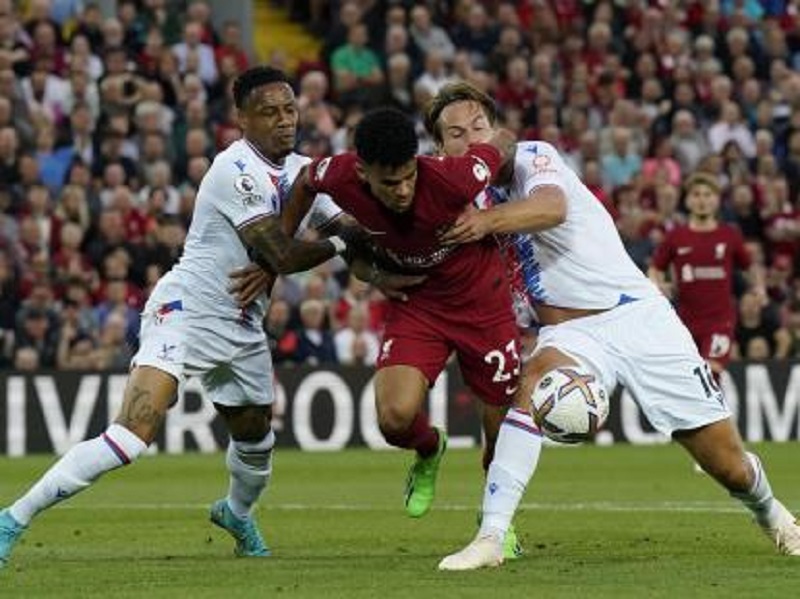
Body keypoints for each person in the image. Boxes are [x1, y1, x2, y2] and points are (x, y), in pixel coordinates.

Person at [425, 82, 800, 570]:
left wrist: (486, 221)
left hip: (637, 316)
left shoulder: (533, 158)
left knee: (727, 466)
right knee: (529, 386)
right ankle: (491, 536)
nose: (473, 138)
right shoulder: (453, 199)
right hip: (569, 334)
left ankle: (774, 516)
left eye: (480, 126)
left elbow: (552, 207)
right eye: (457, 134)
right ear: (441, 149)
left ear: (496, 130)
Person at [0, 66, 359, 568]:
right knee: (131, 435)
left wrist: (366, 239)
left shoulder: (304, 172)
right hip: (186, 312)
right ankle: (12, 518)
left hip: (242, 325)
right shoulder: (234, 169)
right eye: (269, 112)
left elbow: (351, 228)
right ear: (242, 119)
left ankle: (236, 514)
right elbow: (282, 252)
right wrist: (342, 244)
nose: (284, 121)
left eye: (290, 109)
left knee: (256, 440)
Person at [281, 107, 525, 557]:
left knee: (500, 432)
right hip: (420, 303)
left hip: (482, 303)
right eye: (390, 183)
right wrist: (282, 242)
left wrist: (491, 216)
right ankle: (429, 449)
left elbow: (505, 138)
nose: (404, 190)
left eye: (410, 176)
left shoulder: (453, 178)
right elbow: (304, 181)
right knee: (394, 420)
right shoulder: (338, 174)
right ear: (362, 173)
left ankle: (497, 523)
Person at [648, 172, 758, 380]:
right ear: (687, 201)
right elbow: (655, 268)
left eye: (708, 195)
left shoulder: (729, 235)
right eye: (696, 194)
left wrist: (758, 289)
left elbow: (750, 267)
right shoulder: (676, 236)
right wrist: (658, 284)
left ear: (717, 200)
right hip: (684, 323)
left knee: (711, 373)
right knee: (689, 380)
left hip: (720, 322)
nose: (702, 200)